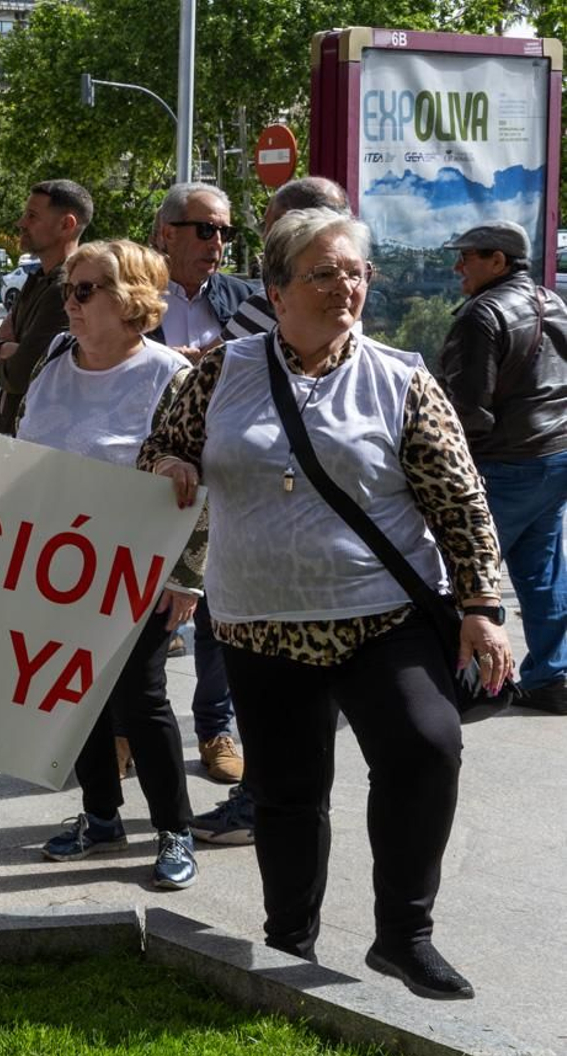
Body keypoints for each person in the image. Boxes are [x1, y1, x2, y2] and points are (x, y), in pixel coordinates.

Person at [140, 208, 513, 999]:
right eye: (323, 273)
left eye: (356, 272)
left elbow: (459, 498)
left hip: (382, 617)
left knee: (425, 744)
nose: (346, 285)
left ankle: (405, 935)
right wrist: (171, 462)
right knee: (286, 791)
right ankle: (289, 947)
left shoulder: (401, 378)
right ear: (277, 291)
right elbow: (161, 444)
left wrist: (481, 604)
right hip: (259, 622)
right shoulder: (217, 372)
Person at [16, 240, 199, 890]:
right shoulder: (55, 363)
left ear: (131, 301)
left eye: (86, 289)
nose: (70, 301)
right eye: (69, 289)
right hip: (57, 567)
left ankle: (175, 827)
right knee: (78, 693)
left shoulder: (170, 375)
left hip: (139, 570)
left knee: (140, 695)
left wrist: (187, 579)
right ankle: (101, 814)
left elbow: (203, 483)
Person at [190, 174, 353, 847]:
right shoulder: (269, 318)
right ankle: (274, 797)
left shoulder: (279, 312)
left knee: (279, 681)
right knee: (288, 688)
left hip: (290, 542)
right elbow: (188, 427)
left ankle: (266, 799)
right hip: (278, 538)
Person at [149, 181, 259, 786]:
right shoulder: (134, 292)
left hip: (219, 476)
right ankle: (126, 729)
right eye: (204, 229)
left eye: (224, 231)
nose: (217, 242)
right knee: (140, 611)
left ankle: (217, 727)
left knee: (216, 609)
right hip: (148, 474)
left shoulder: (243, 299)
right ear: (167, 232)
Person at [433, 220, 567, 715]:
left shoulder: (482, 315)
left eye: (467, 257)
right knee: (543, 572)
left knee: (464, 572)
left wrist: (449, 466)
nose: (458, 266)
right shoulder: (551, 301)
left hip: (505, 462)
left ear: (498, 261)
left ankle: (457, 677)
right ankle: (551, 676)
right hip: (554, 457)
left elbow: (470, 407)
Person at [0, 180, 93, 435]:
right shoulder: (38, 281)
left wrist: (2, 352)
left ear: (67, 225)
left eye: (32, 216)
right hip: (11, 432)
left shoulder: (67, 290)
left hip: (36, 441)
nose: (21, 223)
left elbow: (22, 375)